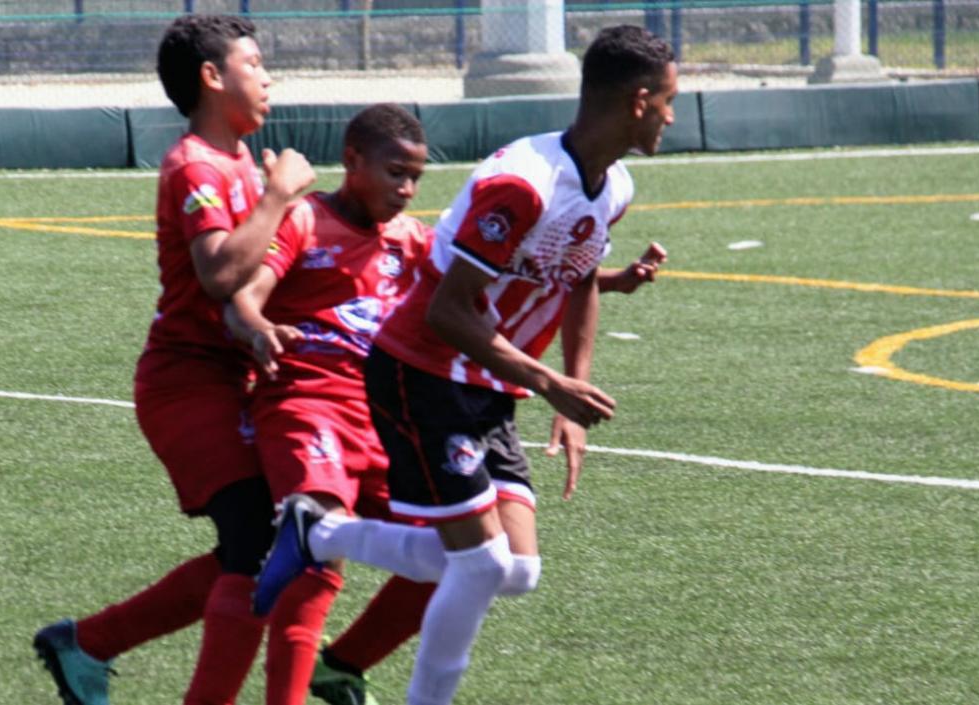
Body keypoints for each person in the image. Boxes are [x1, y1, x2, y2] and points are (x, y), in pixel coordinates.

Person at [255, 24, 678, 705]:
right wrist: (548, 381)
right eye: (668, 100)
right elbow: (445, 312)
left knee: (517, 569)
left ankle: (320, 540)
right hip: (423, 370)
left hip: (486, 382)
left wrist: (576, 386)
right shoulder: (524, 184)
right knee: (478, 565)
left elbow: (574, 278)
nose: (671, 115)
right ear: (637, 100)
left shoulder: (615, 186)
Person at [33, 14, 314, 705]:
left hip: (236, 377)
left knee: (255, 549)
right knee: (255, 543)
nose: (268, 75)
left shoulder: (245, 158)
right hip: (187, 382)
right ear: (212, 78)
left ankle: (86, 643)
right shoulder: (196, 162)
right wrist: (281, 197)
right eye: (254, 63)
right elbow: (219, 273)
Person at [221, 102, 437, 705]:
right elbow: (242, 299)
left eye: (416, 177)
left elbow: (474, 276)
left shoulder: (409, 240)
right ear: (351, 162)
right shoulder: (304, 222)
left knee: (452, 553)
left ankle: (342, 664)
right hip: (305, 405)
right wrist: (257, 327)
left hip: (382, 421)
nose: (407, 189)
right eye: (396, 172)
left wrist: (599, 278)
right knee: (315, 557)